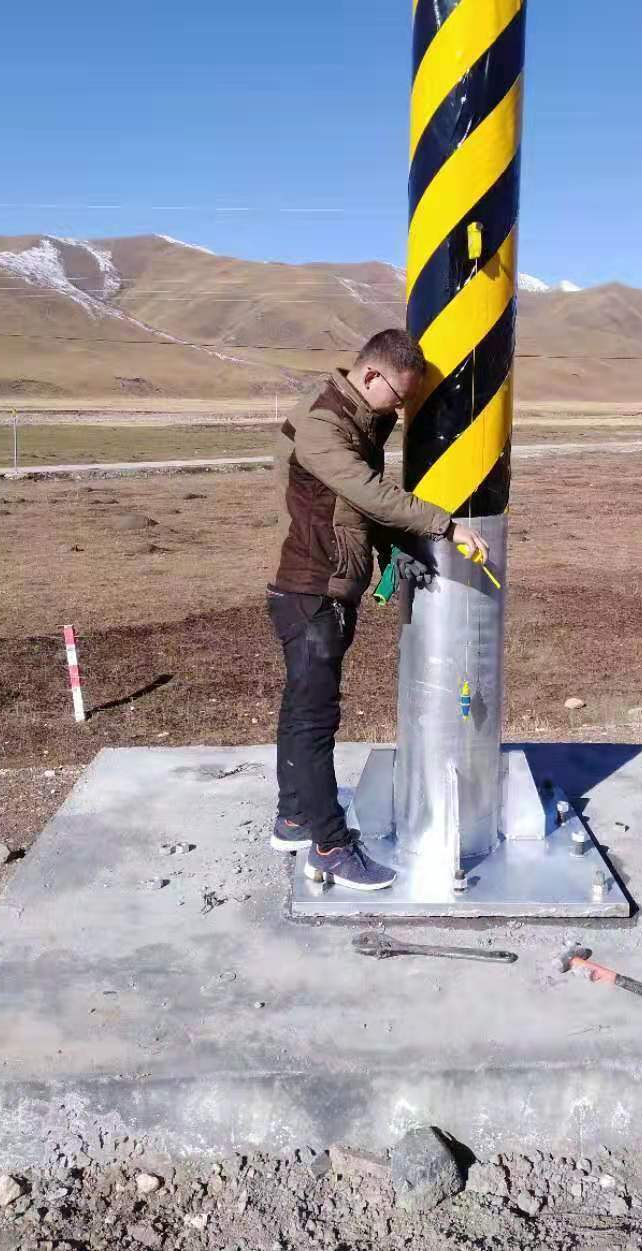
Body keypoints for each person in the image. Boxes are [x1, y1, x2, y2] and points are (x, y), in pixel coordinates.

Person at [267, 329, 490, 890]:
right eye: (399, 397)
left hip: (324, 584)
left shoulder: (354, 421)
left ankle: (295, 817)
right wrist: (445, 525)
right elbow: (366, 493)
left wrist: (392, 548)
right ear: (371, 376)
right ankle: (330, 848)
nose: (400, 409)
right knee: (315, 721)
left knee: (304, 713)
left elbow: (348, 513)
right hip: (311, 588)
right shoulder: (323, 425)